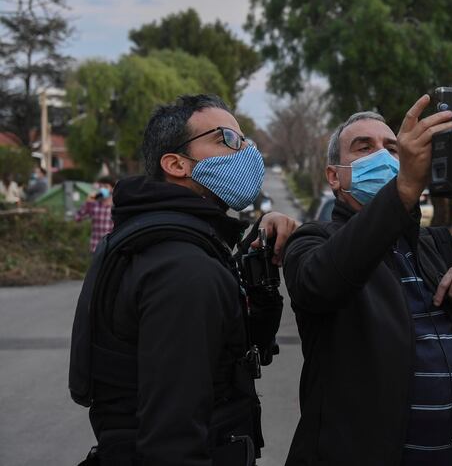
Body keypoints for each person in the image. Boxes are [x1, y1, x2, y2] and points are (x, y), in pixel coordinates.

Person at [283, 95, 452, 466]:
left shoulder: (435, 244)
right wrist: (403, 189)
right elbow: (320, 282)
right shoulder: (314, 242)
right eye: (364, 147)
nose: (385, 157)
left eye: (392, 148)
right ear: (334, 175)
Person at [69, 94, 299, 465]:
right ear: (176, 164)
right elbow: (172, 439)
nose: (247, 153)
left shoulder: (162, 241)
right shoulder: (183, 267)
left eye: (246, 140)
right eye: (227, 139)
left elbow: (229, 351)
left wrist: (257, 275)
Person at [74, 176, 116, 253]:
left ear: (112, 189)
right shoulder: (93, 205)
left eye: (106, 186)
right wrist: (87, 203)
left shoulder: (116, 207)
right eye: (100, 186)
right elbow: (77, 217)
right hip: (96, 248)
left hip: (112, 249)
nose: (102, 189)